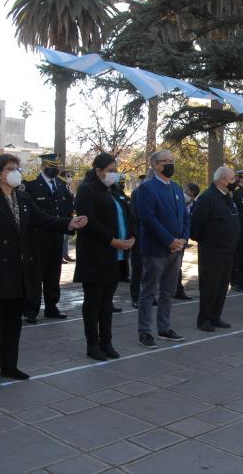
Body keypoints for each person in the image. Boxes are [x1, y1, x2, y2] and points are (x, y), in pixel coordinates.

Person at [0, 154, 86, 386]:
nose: (16, 173)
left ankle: (9, 365)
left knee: (13, 321)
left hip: (20, 271)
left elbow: (42, 219)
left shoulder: (22, 197)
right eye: (11, 168)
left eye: (18, 168)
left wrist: (68, 223)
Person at [74, 153, 134, 360]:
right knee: (93, 302)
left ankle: (107, 341)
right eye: (111, 171)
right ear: (98, 171)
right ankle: (93, 344)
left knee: (107, 302)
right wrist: (112, 240)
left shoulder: (115, 191)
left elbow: (127, 215)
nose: (114, 175)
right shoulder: (86, 190)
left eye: (116, 170)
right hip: (95, 254)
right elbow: (89, 221)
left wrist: (131, 236)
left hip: (115, 255)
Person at [135, 150, 189, 348]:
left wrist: (183, 238)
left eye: (172, 161)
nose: (170, 164)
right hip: (156, 249)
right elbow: (148, 219)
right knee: (149, 292)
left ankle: (164, 328)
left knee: (168, 291)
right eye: (166, 161)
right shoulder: (147, 189)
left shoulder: (175, 187)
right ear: (155, 165)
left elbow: (185, 215)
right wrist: (169, 240)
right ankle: (144, 332)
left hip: (176, 249)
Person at [23, 153, 74, 323]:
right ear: (43, 166)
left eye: (56, 166)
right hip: (38, 236)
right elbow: (31, 213)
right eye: (51, 166)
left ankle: (52, 306)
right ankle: (32, 309)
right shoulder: (30, 186)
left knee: (54, 273)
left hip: (56, 236)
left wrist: (68, 224)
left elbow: (67, 207)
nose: (54, 169)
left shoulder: (61, 185)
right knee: (35, 274)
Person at [191, 167, 239, 331]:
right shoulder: (207, 198)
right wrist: (210, 241)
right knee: (209, 286)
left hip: (227, 250)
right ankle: (204, 319)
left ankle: (216, 316)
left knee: (222, 285)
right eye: (233, 179)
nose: (235, 182)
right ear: (222, 180)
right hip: (212, 251)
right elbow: (196, 227)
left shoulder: (227, 197)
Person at [175, 183, 200, 301]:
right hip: (171, 238)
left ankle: (178, 290)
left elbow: (190, 224)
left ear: (194, 197)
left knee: (177, 265)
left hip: (183, 240)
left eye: (189, 195)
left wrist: (185, 238)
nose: (186, 195)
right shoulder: (175, 201)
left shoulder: (195, 206)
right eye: (185, 192)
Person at [129, 173, 146, 307]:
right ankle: (136, 297)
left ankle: (148, 295)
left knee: (150, 268)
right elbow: (134, 215)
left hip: (151, 236)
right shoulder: (137, 193)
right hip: (139, 234)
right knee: (138, 267)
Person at [60, 169, 75, 263]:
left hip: (69, 216)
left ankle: (66, 254)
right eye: (68, 176)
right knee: (62, 237)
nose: (70, 178)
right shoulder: (60, 188)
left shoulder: (68, 187)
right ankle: (60, 256)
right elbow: (63, 203)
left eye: (70, 176)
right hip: (63, 216)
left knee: (66, 237)